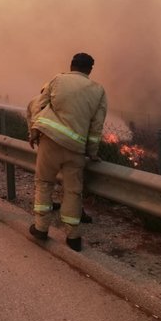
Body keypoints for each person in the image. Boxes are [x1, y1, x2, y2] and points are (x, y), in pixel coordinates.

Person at [27, 52, 107, 251]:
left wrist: (34, 132)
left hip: (50, 142)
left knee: (44, 183)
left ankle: (41, 228)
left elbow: (38, 106)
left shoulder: (57, 80)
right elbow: (97, 127)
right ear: (90, 70)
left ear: (71, 65)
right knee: (73, 191)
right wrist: (92, 151)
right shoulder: (99, 91)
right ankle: (73, 237)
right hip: (76, 148)